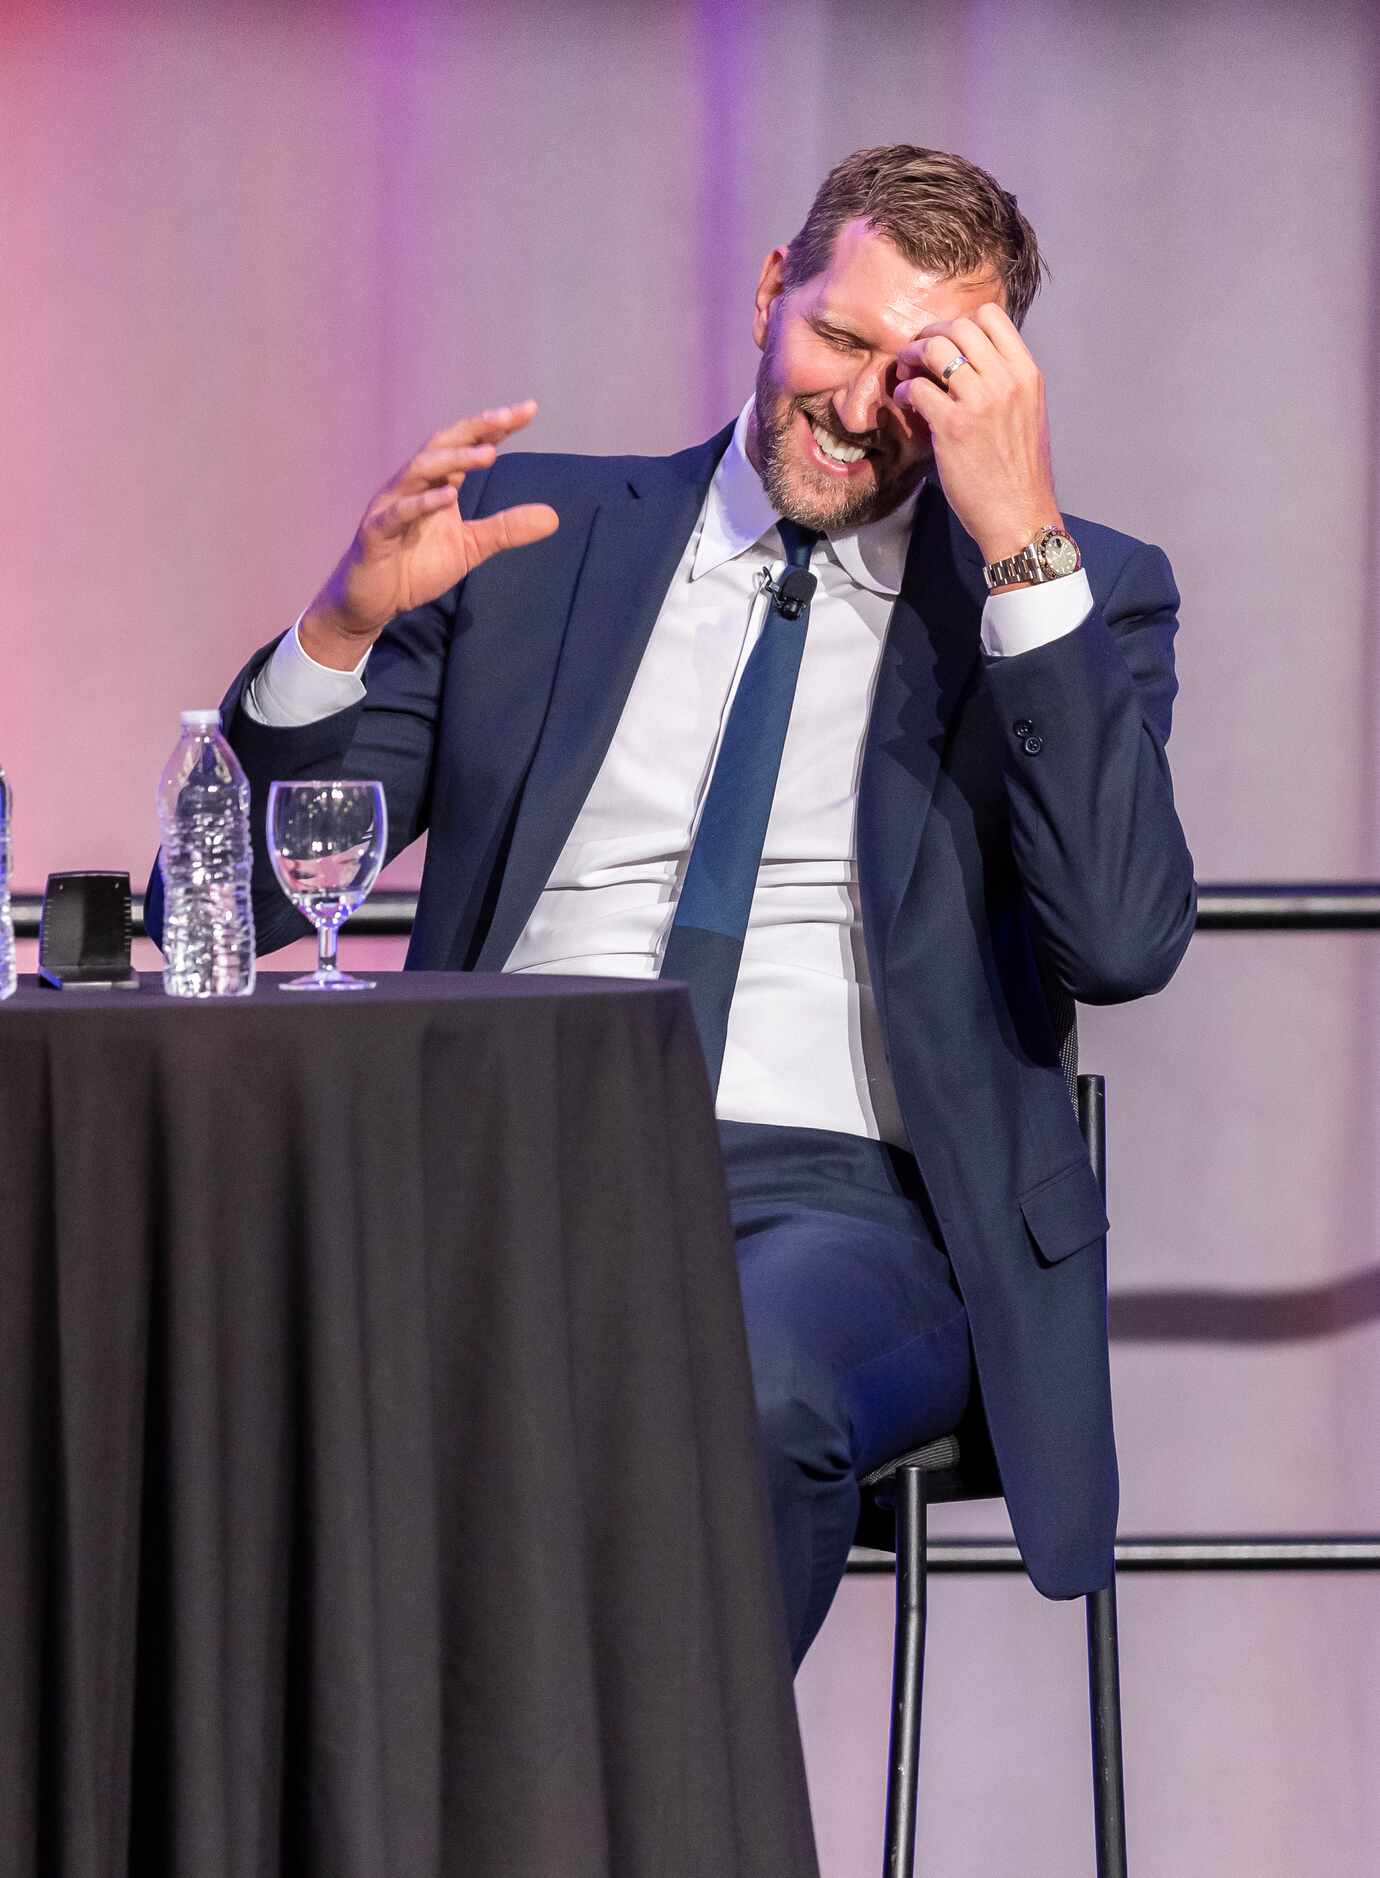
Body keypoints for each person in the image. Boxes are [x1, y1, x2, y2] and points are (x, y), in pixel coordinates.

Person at [148, 145, 1195, 1670]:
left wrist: (1021, 539)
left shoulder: (1067, 595)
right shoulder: (529, 545)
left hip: (837, 1203)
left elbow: (1119, 936)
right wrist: (338, 628)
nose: (853, 407)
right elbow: (214, 901)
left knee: (736, 1379)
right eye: (838, 342)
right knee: (199, 1363)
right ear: (773, 291)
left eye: (918, 380)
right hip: (489, 1153)